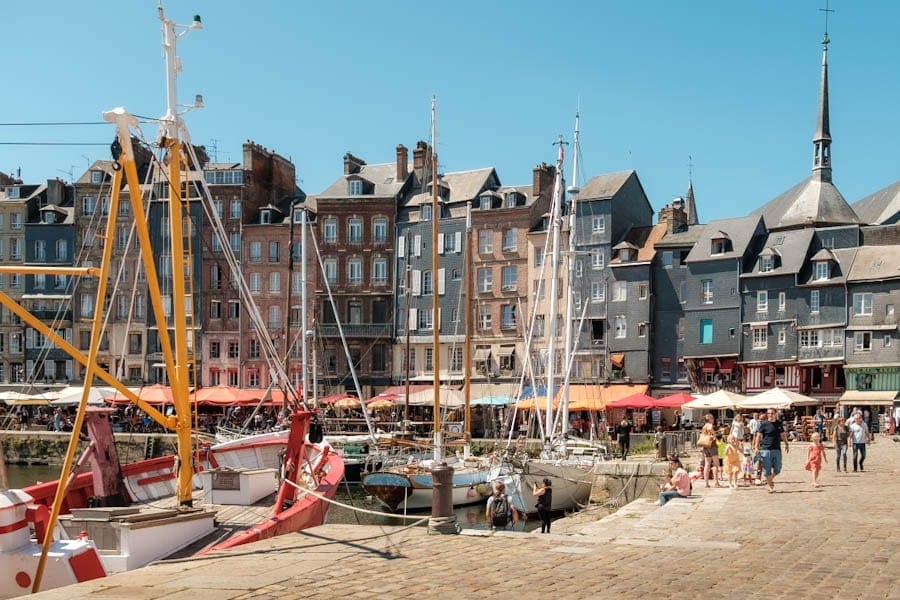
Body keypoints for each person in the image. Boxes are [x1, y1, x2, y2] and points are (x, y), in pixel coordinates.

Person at [753, 408, 789, 493]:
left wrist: (786, 443)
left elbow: (783, 435)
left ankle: (769, 479)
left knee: (778, 468)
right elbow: (758, 435)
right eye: (769, 413)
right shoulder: (764, 424)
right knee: (767, 469)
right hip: (766, 449)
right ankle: (770, 486)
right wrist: (756, 446)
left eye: (772, 413)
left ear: (775, 414)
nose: (770, 415)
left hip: (776, 449)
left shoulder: (778, 424)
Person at [699, 420, 720, 488]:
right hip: (712, 445)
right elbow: (710, 428)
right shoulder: (709, 425)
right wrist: (715, 436)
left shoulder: (704, 426)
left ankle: (706, 483)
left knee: (707, 464)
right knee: (716, 463)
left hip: (705, 446)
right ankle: (716, 482)